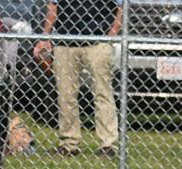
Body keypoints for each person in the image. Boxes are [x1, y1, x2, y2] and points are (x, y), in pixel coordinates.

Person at [33, 0, 121, 158]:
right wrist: (45, 37)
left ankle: (108, 145)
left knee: (102, 93)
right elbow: (54, 6)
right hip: (65, 41)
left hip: (98, 41)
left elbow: (121, 8)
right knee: (65, 95)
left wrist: (111, 36)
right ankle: (69, 143)